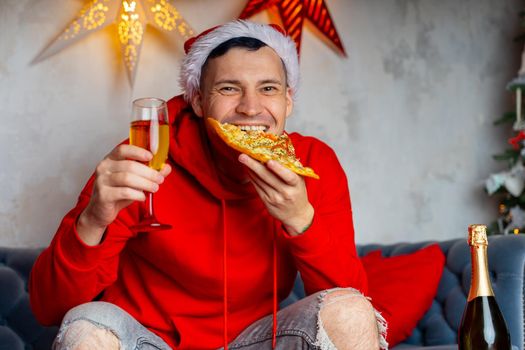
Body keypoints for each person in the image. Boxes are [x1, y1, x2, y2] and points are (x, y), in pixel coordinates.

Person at [29, 20, 387, 350]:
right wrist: (93, 220)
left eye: (268, 88)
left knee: (352, 311)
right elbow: (50, 309)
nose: (250, 108)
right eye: (229, 88)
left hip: (254, 340)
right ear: (198, 101)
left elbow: (348, 298)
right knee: (85, 326)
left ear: (287, 100)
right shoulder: (145, 156)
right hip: (148, 340)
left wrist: (301, 220)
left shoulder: (313, 162)